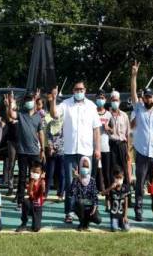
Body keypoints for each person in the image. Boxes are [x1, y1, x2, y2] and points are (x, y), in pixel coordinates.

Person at [48, 81, 102, 223]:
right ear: (73, 90)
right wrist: (53, 99)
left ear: (85, 90)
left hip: (86, 151)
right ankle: (70, 212)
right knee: (70, 183)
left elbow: (96, 129)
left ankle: (88, 211)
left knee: (86, 182)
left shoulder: (91, 106)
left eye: (81, 89)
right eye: (76, 89)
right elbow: (54, 114)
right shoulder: (66, 104)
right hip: (70, 150)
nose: (79, 91)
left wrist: (97, 148)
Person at [129, 61, 153, 221]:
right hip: (142, 153)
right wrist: (134, 75)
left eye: (149, 96)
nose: (146, 98)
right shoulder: (139, 108)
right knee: (139, 185)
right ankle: (138, 211)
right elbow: (132, 93)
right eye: (145, 96)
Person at [7, 91, 45, 210]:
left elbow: (41, 133)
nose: (29, 102)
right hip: (23, 151)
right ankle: (20, 201)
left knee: (35, 177)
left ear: (34, 101)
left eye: (31, 100)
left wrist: (42, 149)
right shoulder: (21, 113)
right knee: (22, 178)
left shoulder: (38, 116)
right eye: (27, 100)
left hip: (34, 151)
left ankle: (35, 199)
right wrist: (9, 104)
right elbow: (12, 115)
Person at [69, 156, 101, 231]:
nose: (84, 168)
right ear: (80, 167)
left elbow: (95, 196)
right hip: (79, 206)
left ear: (89, 168)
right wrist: (75, 179)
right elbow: (71, 192)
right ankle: (82, 222)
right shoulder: (77, 179)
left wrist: (95, 207)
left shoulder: (92, 180)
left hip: (89, 206)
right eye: (83, 166)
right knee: (80, 202)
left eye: (86, 167)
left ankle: (86, 222)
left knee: (98, 219)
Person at [107, 90, 131, 186]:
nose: (115, 102)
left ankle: (126, 188)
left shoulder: (124, 116)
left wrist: (128, 151)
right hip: (111, 145)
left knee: (124, 168)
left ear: (120, 101)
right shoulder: (107, 115)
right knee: (112, 168)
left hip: (122, 145)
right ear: (110, 100)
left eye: (116, 100)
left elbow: (128, 134)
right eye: (113, 100)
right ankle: (113, 189)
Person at [16, 161, 46, 232]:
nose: (35, 174)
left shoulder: (42, 182)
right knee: (25, 201)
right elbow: (30, 193)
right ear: (31, 172)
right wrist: (32, 180)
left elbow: (42, 191)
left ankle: (35, 221)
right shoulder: (30, 181)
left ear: (41, 173)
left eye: (37, 172)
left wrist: (41, 180)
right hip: (31, 204)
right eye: (33, 172)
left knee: (36, 228)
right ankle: (24, 223)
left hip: (38, 206)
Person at [44, 105, 65, 199]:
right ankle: (46, 193)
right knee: (49, 173)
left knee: (62, 173)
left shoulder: (64, 124)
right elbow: (48, 137)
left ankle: (61, 193)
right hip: (52, 152)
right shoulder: (49, 124)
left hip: (62, 152)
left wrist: (60, 148)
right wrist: (51, 147)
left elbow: (66, 138)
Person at [95, 91, 112, 191]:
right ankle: (95, 190)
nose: (100, 100)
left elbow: (112, 131)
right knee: (95, 171)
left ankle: (107, 191)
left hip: (105, 147)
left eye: (102, 98)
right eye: (98, 98)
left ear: (105, 100)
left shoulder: (108, 115)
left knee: (106, 171)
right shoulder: (92, 112)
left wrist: (108, 128)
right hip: (94, 147)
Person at [104, 167, 130, 232]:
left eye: (120, 178)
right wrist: (110, 188)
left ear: (123, 178)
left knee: (126, 229)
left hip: (121, 215)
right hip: (114, 215)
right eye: (117, 177)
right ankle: (114, 223)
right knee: (114, 229)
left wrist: (125, 216)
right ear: (114, 178)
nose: (118, 179)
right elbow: (102, 193)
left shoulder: (125, 188)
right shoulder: (112, 187)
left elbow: (126, 204)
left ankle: (121, 223)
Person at [3, 93, 19, 196]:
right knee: (11, 164)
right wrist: (7, 106)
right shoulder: (9, 112)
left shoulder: (20, 112)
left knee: (22, 165)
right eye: (10, 99)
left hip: (21, 141)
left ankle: (20, 187)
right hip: (11, 142)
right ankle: (10, 186)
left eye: (13, 100)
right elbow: (9, 118)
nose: (11, 101)